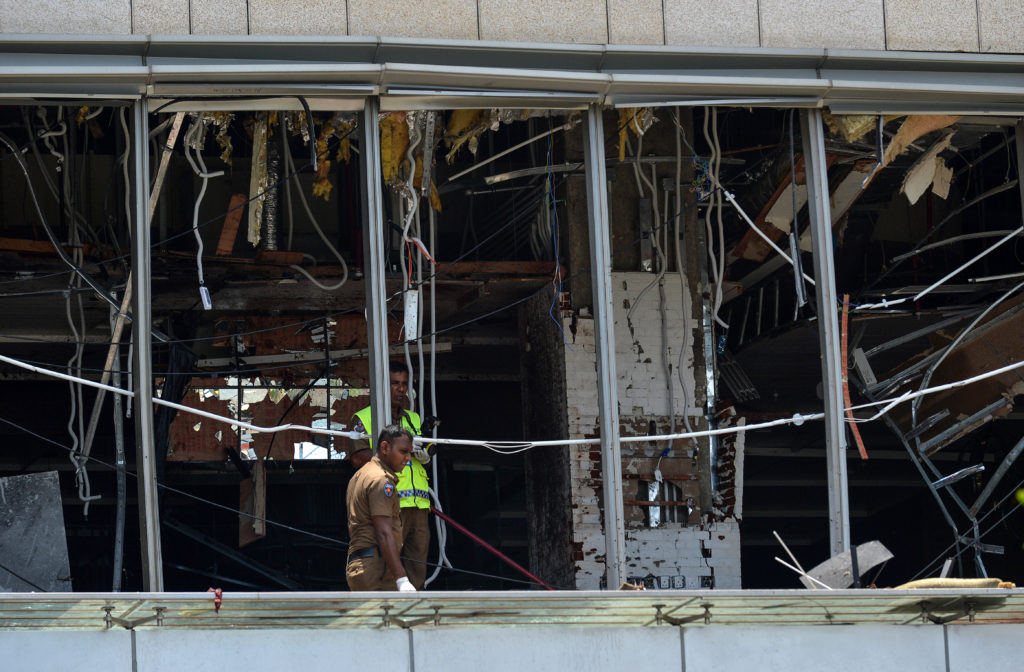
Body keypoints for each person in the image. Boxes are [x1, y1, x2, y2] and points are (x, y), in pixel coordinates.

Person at [349, 361, 432, 589]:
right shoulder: (364, 417)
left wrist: (423, 451)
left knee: (417, 569)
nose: (401, 389)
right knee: (387, 567)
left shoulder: (413, 419)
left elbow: (429, 451)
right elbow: (356, 458)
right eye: (395, 383)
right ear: (382, 386)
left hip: (419, 503)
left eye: (404, 384)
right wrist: (394, 453)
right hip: (389, 503)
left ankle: (413, 617)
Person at [345, 424, 417, 592]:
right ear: (385, 447)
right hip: (376, 568)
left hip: (363, 563)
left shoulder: (361, 474)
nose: (408, 459)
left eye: (410, 453)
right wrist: (401, 579)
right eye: (403, 451)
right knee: (383, 617)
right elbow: (384, 532)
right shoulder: (381, 481)